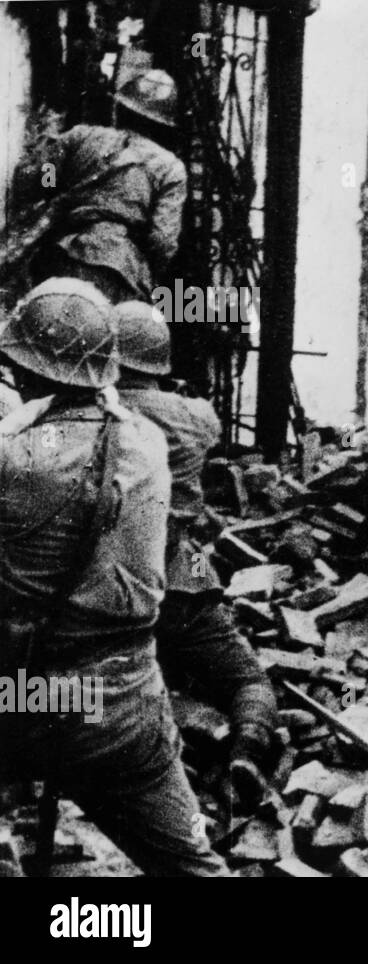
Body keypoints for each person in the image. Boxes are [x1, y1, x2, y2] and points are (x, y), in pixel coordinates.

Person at [0, 279, 227, 876]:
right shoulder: (148, 441)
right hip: (124, 705)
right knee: (193, 868)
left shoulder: (16, 455)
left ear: (24, 373)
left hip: (25, 702)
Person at [113, 301, 278, 814]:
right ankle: (248, 742)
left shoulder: (99, 416)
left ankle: (169, 750)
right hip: (185, 579)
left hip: (113, 586)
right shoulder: (196, 416)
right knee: (247, 679)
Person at [25, 69, 187, 302]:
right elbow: (162, 240)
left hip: (61, 254)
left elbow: (45, 175)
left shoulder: (80, 135)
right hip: (121, 269)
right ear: (163, 126)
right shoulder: (170, 167)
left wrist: (53, 196)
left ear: (118, 110)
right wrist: (147, 272)